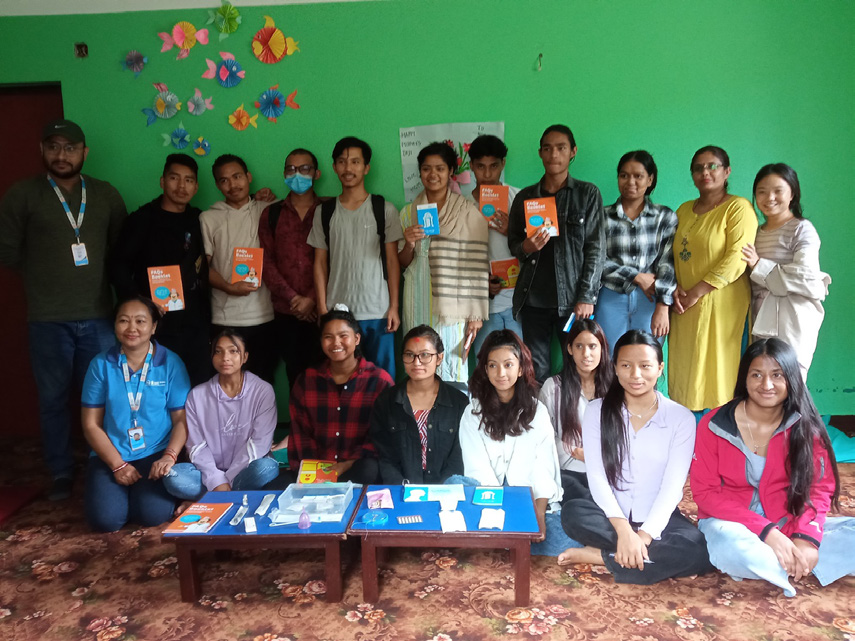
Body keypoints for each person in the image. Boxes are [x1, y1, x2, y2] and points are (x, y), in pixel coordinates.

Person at [0, 119, 127, 501]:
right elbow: (8, 251)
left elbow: (119, 250)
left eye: (70, 148)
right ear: (42, 150)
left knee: (106, 397)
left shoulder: (105, 194)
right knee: (53, 399)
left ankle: (104, 465)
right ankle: (60, 471)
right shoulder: (23, 195)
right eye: (53, 146)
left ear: (84, 152)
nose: (61, 155)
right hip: (48, 319)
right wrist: (47, 276)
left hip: (99, 315)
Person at [691, 338, 855, 596]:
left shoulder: (805, 426)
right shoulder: (714, 424)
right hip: (730, 523)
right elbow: (705, 494)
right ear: (744, 378)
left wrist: (806, 538)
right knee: (729, 549)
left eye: (777, 375)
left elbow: (820, 488)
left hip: (788, 519)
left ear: (791, 379)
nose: (766, 385)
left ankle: (784, 561)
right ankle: (792, 562)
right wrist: (769, 533)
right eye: (756, 375)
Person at [557, 330, 713, 584]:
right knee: (573, 513)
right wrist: (624, 531)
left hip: (657, 517)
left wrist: (644, 536)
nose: (635, 375)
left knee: (699, 549)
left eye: (645, 366)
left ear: (660, 368)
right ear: (615, 368)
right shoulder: (597, 411)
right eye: (626, 366)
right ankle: (654, 560)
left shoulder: (680, 418)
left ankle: (602, 556)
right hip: (610, 516)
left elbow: (673, 487)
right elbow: (597, 477)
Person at [80, 297, 191, 532]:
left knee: (152, 516)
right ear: (115, 325)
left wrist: (169, 456)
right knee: (105, 521)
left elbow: (181, 420)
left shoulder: (171, 363)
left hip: (155, 452)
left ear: (153, 327)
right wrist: (117, 465)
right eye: (124, 321)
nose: (132, 328)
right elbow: (90, 424)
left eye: (140, 321)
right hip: (111, 452)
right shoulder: (100, 364)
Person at [508, 124, 605, 384]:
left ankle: (575, 411)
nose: (554, 154)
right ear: (540, 153)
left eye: (561, 148)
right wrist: (527, 247)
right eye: (548, 148)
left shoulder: (587, 194)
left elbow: (596, 249)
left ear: (573, 152)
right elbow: (514, 243)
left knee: (578, 366)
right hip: (533, 299)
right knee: (536, 370)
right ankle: (541, 411)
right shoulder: (525, 197)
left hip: (573, 300)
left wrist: (586, 296)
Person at [669, 146, 758, 413]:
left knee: (721, 369)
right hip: (684, 305)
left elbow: (737, 258)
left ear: (727, 171)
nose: (705, 172)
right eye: (698, 168)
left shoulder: (738, 208)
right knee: (688, 369)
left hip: (723, 305)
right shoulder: (683, 210)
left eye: (712, 166)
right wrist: (674, 287)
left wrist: (697, 291)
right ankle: (689, 430)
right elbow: (668, 254)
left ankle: (724, 427)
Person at [110, 153, 210, 385]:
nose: (181, 186)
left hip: (196, 323)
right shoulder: (141, 220)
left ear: (196, 187)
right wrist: (140, 303)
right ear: (162, 181)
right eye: (174, 178)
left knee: (198, 388)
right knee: (156, 388)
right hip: (156, 324)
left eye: (188, 180)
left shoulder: (199, 219)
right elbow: (117, 265)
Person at [309, 137, 402, 378]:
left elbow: (393, 261)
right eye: (342, 162)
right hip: (338, 313)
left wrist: (394, 306)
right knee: (341, 379)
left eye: (355, 162)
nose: (348, 168)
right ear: (334, 167)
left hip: (378, 311)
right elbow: (319, 263)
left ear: (366, 167)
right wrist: (322, 308)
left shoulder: (384, 209)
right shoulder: (324, 212)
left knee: (383, 380)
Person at [271, 306, 394, 486]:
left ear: (357, 339)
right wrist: (318, 473)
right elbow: (301, 434)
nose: (336, 343)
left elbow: (381, 435)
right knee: (274, 488)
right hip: (316, 470)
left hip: (357, 467)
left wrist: (347, 464)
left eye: (343, 336)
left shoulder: (379, 381)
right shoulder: (306, 381)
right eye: (328, 337)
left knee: (369, 469)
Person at [457, 330, 562, 540]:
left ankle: (502, 538)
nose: (501, 373)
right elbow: (476, 468)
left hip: (528, 500)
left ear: (521, 368)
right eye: (493, 365)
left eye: (508, 365)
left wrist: (539, 516)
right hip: (486, 499)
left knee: (559, 539)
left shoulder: (537, 411)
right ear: (485, 370)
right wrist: (494, 512)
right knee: (454, 484)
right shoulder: (473, 412)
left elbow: (544, 468)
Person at [399, 142, 489, 382]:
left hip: (454, 301)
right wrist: (409, 243)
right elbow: (403, 262)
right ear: (420, 172)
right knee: (418, 355)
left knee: (450, 360)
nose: (433, 174)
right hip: (417, 294)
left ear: (451, 171)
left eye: (440, 168)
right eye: (426, 168)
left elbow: (476, 264)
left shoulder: (466, 211)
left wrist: (475, 314)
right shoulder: (407, 213)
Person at [163, 329, 279, 501]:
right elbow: (196, 446)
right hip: (209, 473)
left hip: (245, 471)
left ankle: (214, 498)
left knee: (266, 468)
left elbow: (259, 443)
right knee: (173, 476)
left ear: (245, 357)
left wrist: (227, 480)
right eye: (218, 351)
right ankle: (233, 496)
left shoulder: (262, 391)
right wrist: (216, 479)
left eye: (233, 351)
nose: (225, 357)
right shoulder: (197, 395)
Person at [741, 164, 830, 379]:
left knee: (789, 378)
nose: (769, 197)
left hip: (792, 318)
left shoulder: (802, 229)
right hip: (760, 317)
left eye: (778, 191)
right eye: (762, 191)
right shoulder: (755, 232)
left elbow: (805, 276)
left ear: (792, 193)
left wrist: (759, 265)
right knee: (763, 380)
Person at [201, 154, 278, 384]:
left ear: (248, 177)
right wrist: (228, 287)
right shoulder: (208, 218)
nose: (232, 185)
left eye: (237, 177)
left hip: (264, 315)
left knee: (263, 382)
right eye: (224, 180)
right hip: (225, 317)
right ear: (217, 185)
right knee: (226, 383)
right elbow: (202, 267)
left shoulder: (268, 210)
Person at [258, 148, 328, 390]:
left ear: (316, 173)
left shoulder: (329, 210)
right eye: (291, 169)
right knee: (295, 378)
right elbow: (266, 262)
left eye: (304, 168)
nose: (297, 174)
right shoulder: (271, 213)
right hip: (286, 311)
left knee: (328, 375)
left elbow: (336, 259)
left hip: (323, 309)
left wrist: (312, 299)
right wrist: (295, 300)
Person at [595, 151, 677, 351]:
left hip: (650, 299)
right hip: (610, 296)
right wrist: (637, 277)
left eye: (638, 176)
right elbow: (596, 260)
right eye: (624, 175)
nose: (630, 182)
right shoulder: (601, 216)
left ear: (650, 179)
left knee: (647, 356)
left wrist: (663, 305)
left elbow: (668, 262)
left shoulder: (664, 216)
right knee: (609, 358)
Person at [369, 325, 469, 484]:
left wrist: (443, 490)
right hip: (401, 490)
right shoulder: (386, 402)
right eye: (409, 355)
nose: (416, 362)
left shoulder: (459, 403)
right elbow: (385, 457)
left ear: (439, 358)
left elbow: (458, 457)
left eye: (425, 355)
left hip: (447, 490)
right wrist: (405, 490)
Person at [538, 318, 613, 497]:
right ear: (570, 349)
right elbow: (542, 437)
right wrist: (577, 452)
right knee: (578, 502)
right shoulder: (553, 387)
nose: (586, 354)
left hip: (609, 472)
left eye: (592, 346)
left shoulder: (616, 388)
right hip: (568, 471)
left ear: (602, 349)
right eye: (579, 346)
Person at [467, 135, 524, 358]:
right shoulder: (463, 206)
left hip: (518, 302)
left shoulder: (519, 198)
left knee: (520, 365)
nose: (488, 174)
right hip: (482, 306)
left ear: (503, 164)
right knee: (486, 364)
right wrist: (481, 283)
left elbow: (538, 250)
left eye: (494, 166)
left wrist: (513, 232)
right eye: (481, 167)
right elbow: (458, 258)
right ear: (472, 166)